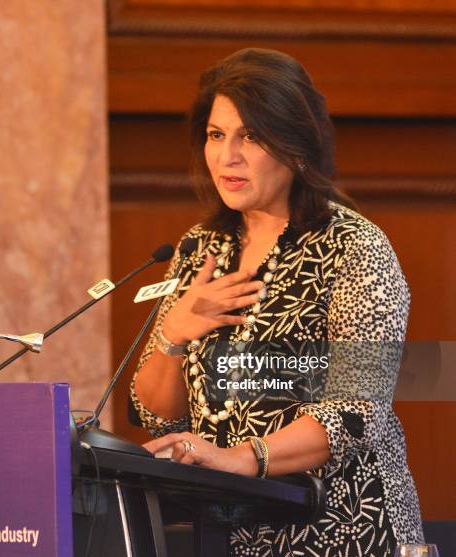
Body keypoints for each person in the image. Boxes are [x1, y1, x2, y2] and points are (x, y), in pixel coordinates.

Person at [129, 47, 424, 556]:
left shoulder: (355, 248)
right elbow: (159, 418)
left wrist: (244, 456)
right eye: (216, 135)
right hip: (228, 536)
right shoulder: (200, 249)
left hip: (347, 529)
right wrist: (173, 334)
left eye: (252, 136)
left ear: (297, 145)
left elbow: (357, 411)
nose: (228, 157)